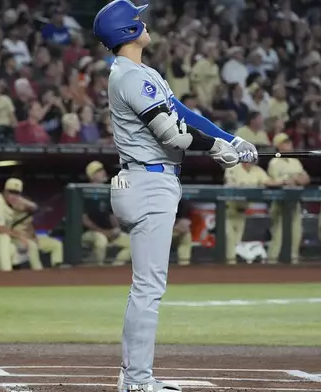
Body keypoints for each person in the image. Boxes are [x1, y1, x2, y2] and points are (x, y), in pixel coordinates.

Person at [92, 1, 257, 391]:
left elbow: (182, 111)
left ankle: (133, 377)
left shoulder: (138, 72)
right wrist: (216, 149)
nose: (144, 21)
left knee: (146, 286)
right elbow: (174, 134)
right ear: (127, 31)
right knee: (148, 287)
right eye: (137, 19)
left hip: (147, 180)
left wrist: (229, 138)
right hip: (147, 181)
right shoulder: (130, 78)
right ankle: (135, 381)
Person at [223, 161, 281, 264]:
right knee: (229, 241)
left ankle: (230, 267)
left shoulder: (257, 170)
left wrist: (284, 181)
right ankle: (227, 268)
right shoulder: (233, 168)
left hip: (242, 212)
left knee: (236, 242)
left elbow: (268, 182)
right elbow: (230, 185)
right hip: (228, 210)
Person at [266, 133, 310, 264]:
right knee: (278, 237)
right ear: (278, 146)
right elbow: (274, 182)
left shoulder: (295, 161)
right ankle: (271, 264)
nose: (289, 145)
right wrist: (288, 180)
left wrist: (295, 179)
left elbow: (306, 179)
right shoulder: (274, 162)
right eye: (285, 143)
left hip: (294, 203)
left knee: (296, 236)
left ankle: (293, 266)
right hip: (279, 204)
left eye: (289, 142)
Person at [81, 161, 131, 266]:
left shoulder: (107, 191)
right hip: (88, 233)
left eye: (102, 170)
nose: (103, 172)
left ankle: (114, 268)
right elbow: (84, 220)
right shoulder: (84, 192)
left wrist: (116, 229)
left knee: (135, 244)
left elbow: (111, 215)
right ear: (92, 176)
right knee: (101, 241)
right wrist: (104, 232)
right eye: (99, 171)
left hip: (108, 232)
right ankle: (97, 271)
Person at [171, 199, 192, 266]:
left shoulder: (183, 202)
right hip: (157, 233)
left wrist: (182, 221)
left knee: (186, 236)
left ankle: (184, 265)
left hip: (175, 230)